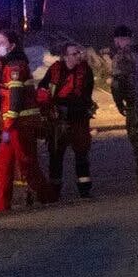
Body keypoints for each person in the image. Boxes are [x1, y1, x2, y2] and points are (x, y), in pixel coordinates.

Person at [0, 32, 58, 211]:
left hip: (19, 127)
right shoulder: (10, 65)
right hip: (11, 127)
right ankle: (0, 206)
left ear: (12, 45)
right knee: (3, 165)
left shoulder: (15, 67)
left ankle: (48, 198)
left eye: (2, 42)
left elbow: (15, 99)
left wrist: (8, 124)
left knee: (27, 164)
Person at [40, 41, 97, 198]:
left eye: (78, 53)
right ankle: (54, 191)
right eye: (74, 54)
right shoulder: (54, 70)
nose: (77, 56)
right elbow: (43, 88)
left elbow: (86, 96)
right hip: (57, 120)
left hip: (78, 118)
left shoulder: (85, 71)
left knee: (81, 154)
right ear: (64, 56)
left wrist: (70, 108)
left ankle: (84, 189)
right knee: (56, 155)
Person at [108, 26, 138, 193]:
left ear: (120, 39)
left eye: (116, 40)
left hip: (135, 107)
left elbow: (116, 84)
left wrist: (119, 104)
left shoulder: (121, 57)